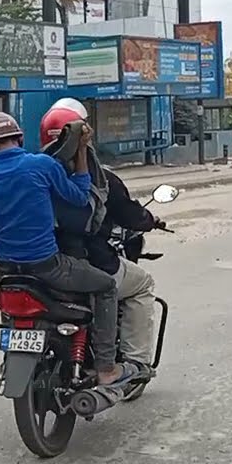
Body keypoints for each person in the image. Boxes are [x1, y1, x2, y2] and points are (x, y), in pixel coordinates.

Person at [0, 112, 131, 387]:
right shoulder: (40, 165)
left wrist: (0, 230)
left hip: (6, 270)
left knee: (11, 305)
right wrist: (80, 154)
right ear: (18, 138)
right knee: (105, 287)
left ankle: (10, 357)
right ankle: (106, 368)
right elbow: (79, 197)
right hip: (47, 266)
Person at [40, 102, 163, 375]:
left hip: (37, 264)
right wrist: (149, 220)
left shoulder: (33, 175)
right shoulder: (100, 179)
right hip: (84, 260)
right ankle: (133, 362)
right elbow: (129, 214)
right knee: (142, 283)